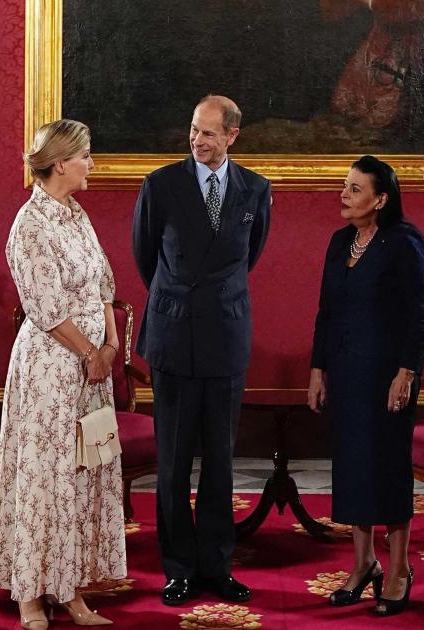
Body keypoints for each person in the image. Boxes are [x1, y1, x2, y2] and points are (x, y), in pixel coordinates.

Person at [0, 119, 126, 630]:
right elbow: (44, 307)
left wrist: (110, 347)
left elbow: (104, 285)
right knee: (47, 478)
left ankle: (72, 590)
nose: (92, 164)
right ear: (61, 162)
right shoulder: (31, 225)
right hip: (51, 368)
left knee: (84, 475)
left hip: (93, 366)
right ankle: (30, 597)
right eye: (86, 155)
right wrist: (91, 352)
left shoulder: (75, 214)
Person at [131, 95, 272, 606]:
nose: (197, 140)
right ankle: (179, 569)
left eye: (209, 133)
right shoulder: (161, 185)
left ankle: (217, 565)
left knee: (220, 462)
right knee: (171, 463)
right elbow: (146, 257)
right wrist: (178, 303)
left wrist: (213, 304)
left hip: (226, 338)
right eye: (194, 130)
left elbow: (248, 257)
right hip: (172, 336)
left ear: (233, 136)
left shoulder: (256, 189)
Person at [308, 155, 424, 616]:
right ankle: (364, 564)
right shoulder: (340, 241)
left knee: (388, 469)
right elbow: (326, 311)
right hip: (345, 374)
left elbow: (420, 316)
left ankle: (398, 570)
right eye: (346, 185)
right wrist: (317, 371)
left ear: (381, 199)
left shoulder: (405, 243)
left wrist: (406, 373)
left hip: (387, 377)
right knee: (354, 468)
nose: (344, 194)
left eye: (355, 189)